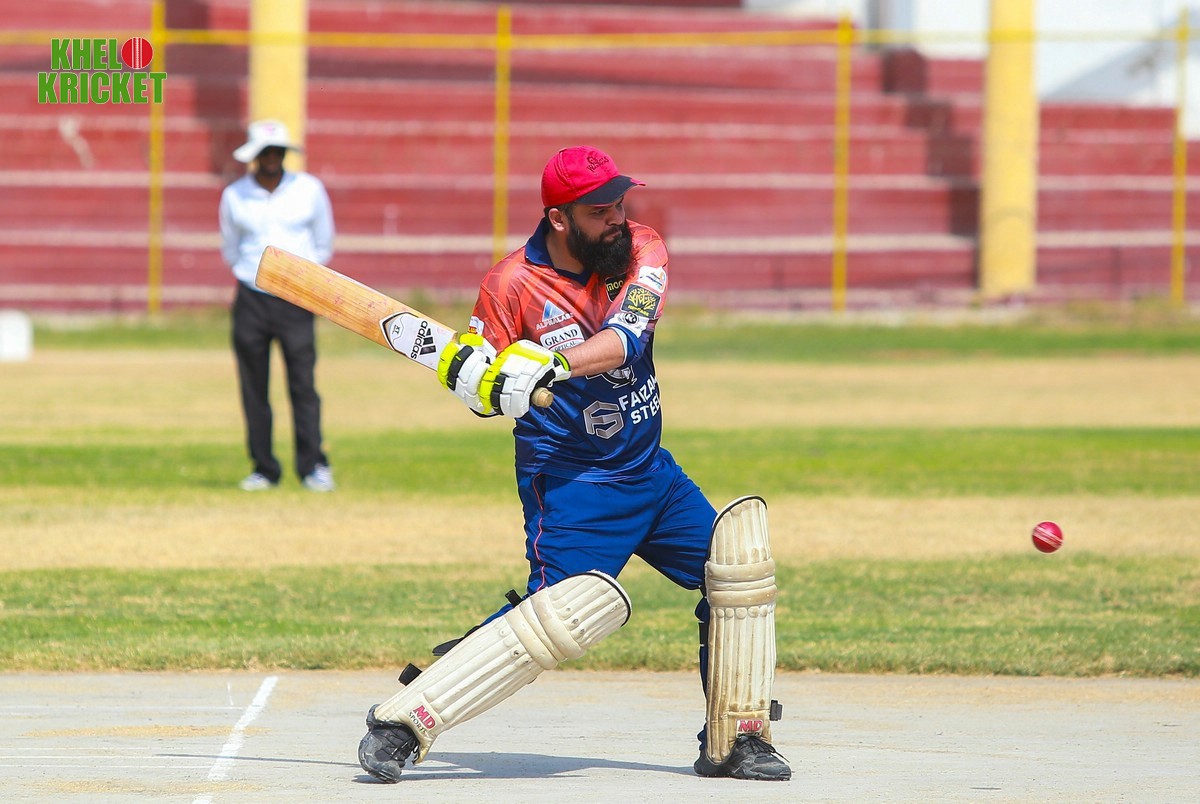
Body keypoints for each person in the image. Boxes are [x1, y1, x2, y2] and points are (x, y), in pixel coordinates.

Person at [356, 146, 790, 782]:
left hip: (651, 473)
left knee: (736, 575)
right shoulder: (509, 285)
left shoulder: (641, 248)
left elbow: (627, 337)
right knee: (552, 621)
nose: (617, 219)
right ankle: (402, 721)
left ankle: (737, 738)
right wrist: (484, 385)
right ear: (559, 218)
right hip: (572, 484)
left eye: (619, 203)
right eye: (599, 211)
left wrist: (553, 363)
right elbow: (481, 390)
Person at [218, 119, 336, 492]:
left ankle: (313, 465)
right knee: (254, 386)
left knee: (303, 384)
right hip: (251, 297)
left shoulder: (309, 190)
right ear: (254, 156)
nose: (272, 158)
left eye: (277, 151)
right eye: (265, 152)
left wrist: (301, 279)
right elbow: (230, 248)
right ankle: (264, 467)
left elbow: (323, 242)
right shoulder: (235, 195)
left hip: (297, 298)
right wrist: (252, 276)